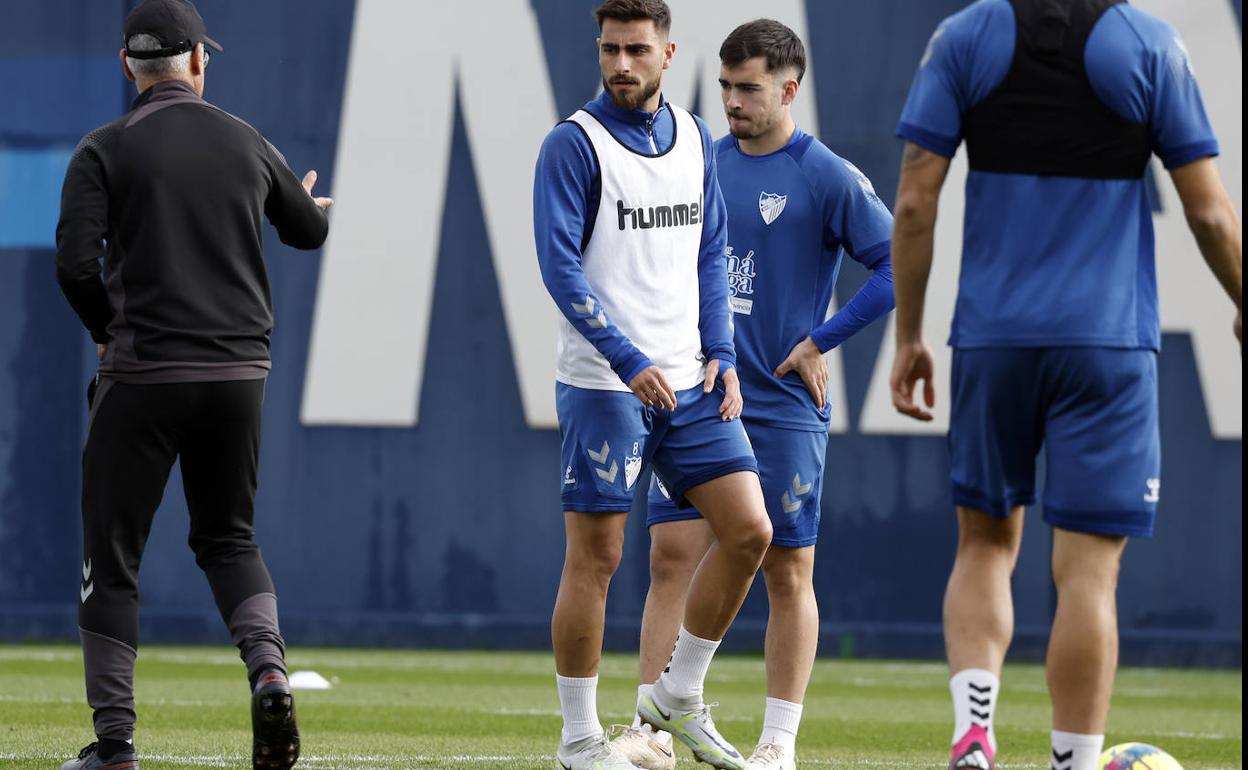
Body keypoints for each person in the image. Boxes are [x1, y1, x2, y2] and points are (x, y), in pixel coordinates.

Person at [888, 2, 1242, 769]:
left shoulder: (965, 37)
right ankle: (1075, 762)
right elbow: (1210, 213)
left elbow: (916, 200)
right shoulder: (1150, 45)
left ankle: (975, 735)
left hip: (993, 337)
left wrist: (910, 334)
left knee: (985, 543)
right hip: (1107, 345)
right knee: (1088, 572)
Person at [609, 18, 896, 770]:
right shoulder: (699, 161)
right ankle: (653, 733)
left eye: (748, 89)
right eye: (726, 87)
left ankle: (778, 744)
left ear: (789, 89)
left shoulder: (826, 174)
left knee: (787, 569)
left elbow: (898, 263)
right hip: (702, 392)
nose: (732, 102)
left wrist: (821, 339)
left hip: (782, 400)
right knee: (670, 556)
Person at [53, 1, 333, 768]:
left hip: (142, 374)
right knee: (229, 538)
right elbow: (309, 229)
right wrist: (305, 200)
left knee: (113, 557)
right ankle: (270, 672)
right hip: (237, 377)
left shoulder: (105, 148)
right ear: (198, 62)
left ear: (127, 67)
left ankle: (114, 747)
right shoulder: (244, 138)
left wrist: (106, 328)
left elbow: (75, 264)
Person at [533, 1, 777, 768]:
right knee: (597, 561)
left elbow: (712, 250)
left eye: (637, 50)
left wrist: (724, 353)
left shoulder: (699, 137)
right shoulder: (574, 145)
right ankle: (579, 741)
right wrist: (622, 357)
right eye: (609, 49)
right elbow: (558, 266)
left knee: (750, 532)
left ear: (669, 53)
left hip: (690, 383)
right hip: (608, 386)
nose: (620, 66)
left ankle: (674, 697)